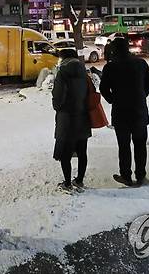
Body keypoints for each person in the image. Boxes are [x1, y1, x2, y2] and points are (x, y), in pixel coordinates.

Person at [100, 38, 149, 187]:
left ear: (113, 50)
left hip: (121, 112)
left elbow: (103, 89)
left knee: (124, 146)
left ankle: (126, 175)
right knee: (140, 144)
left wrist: (113, 99)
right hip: (139, 111)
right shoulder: (140, 63)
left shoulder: (110, 67)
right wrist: (142, 94)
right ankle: (141, 174)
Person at [52, 49, 91, 191]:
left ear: (64, 58)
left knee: (65, 153)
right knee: (82, 151)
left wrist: (57, 106)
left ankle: (67, 183)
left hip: (67, 118)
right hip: (83, 116)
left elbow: (58, 96)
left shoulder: (62, 72)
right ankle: (79, 180)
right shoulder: (83, 72)